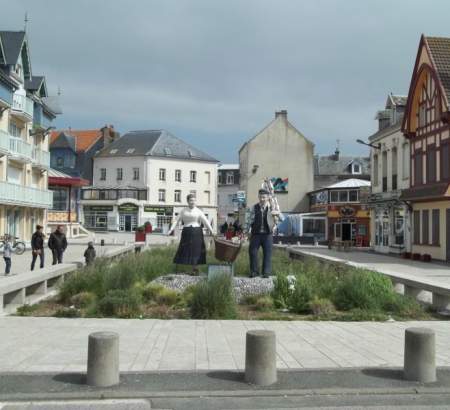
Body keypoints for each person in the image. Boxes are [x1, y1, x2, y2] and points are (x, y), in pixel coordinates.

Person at [168, 194, 214, 273]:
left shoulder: (199, 211)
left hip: (197, 233)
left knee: (196, 250)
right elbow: (176, 220)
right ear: (188, 201)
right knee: (184, 249)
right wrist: (171, 229)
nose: (193, 202)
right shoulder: (183, 211)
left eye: (194, 200)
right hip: (186, 232)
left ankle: (195, 268)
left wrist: (212, 231)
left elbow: (205, 221)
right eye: (191, 200)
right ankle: (180, 269)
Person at [247, 189, 280, 278]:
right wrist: (247, 231)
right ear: (258, 197)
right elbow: (249, 221)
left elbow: (279, 219)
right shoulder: (253, 207)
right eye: (260, 197)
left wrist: (276, 223)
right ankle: (254, 272)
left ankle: (266, 272)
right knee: (252, 252)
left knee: (267, 253)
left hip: (267, 234)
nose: (262, 199)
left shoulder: (272, 207)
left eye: (264, 197)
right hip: (256, 234)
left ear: (268, 197)